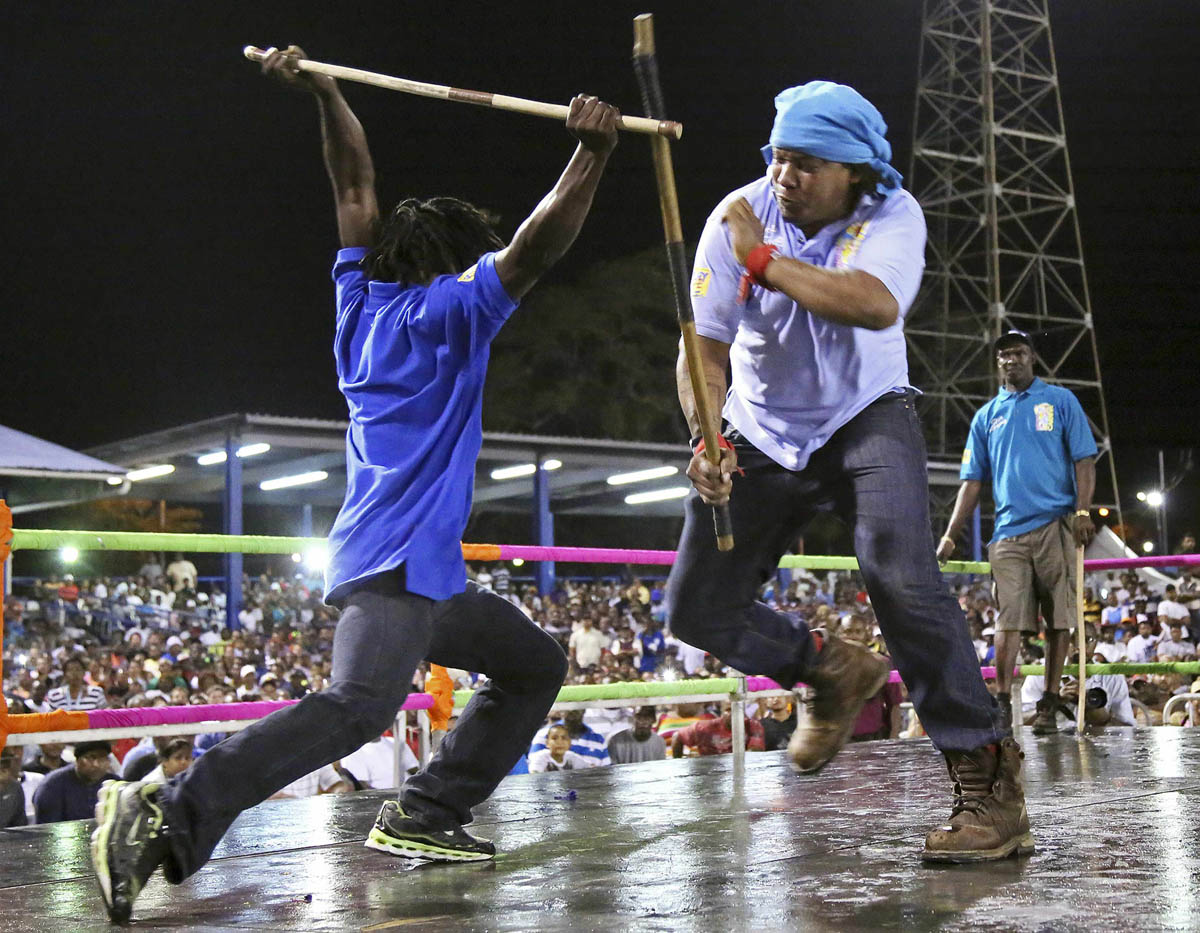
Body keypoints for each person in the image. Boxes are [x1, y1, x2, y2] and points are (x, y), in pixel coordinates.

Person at [90, 45, 620, 923]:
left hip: (418, 566)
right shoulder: (455, 312)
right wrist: (591, 154)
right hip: (395, 559)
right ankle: (164, 813)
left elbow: (351, 188)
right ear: (453, 261)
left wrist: (329, 94)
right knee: (359, 705)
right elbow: (537, 245)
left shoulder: (358, 306)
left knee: (531, 661)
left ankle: (428, 809)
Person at [664, 80, 1027, 863]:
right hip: (758, 424)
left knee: (899, 572)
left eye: (806, 165)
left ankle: (987, 781)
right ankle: (825, 666)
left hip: (866, 411)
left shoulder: (892, 214)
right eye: (779, 158)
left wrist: (760, 257)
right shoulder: (738, 210)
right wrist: (707, 435)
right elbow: (706, 349)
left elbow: (869, 304)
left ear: (856, 173)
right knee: (694, 607)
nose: (784, 177)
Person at [939, 329, 1099, 736]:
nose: (1011, 360)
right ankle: (1002, 702)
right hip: (1008, 531)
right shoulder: (986, 415)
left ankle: (1048, 700)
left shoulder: (1060, 401)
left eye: (1019, 353)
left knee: (1059, 620)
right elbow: (971, 481)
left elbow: (1084, 459)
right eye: (1004, 355)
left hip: (1056, 522)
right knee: (1008, 619)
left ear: (1032, 358)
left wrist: (1082, 510)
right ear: (998, 363)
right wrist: (951, 534)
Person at [34, 741, 118, 824]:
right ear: (77, 760)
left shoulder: (115, 783)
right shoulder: (52, 785)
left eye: (102, 758)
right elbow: (48, 827)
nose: (96, 764)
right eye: (91, 758)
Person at [671, 702, 765, 758]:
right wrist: (679, 763)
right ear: (722, 711)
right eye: (729, 710)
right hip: (709, 772)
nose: (733, 713)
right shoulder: (704, 727)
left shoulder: (753, 725)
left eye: (738, 709)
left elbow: (755, 753)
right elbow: (677, 736)